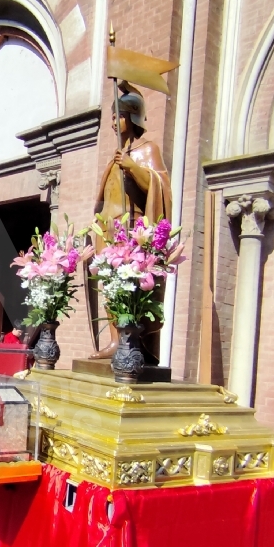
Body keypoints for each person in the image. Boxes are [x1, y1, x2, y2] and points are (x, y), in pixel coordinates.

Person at [90, 81, 173, 362]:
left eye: (120, 115)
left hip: (130, 230)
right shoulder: (115, 157)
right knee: (110, 285)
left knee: (130, 286)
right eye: (113, 115)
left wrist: (134, 168)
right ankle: (115, 339)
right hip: (109, 230)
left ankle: (131, 341)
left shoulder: (147, 150)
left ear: (134, 117)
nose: (114, 121)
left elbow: (160, 185)